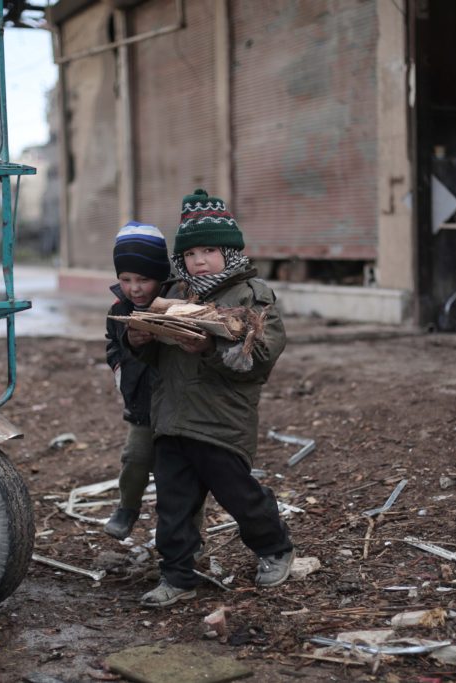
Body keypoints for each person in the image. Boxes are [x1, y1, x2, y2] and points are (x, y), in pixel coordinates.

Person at [132, 188, 294, 608]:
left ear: (229, 251)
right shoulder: (174, 293)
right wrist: (140, 336)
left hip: (222, 421)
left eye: (208, 250)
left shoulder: (251, 295)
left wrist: (209, 347)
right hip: (171, 419)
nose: (198, 261)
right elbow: (153, 357)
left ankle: (275, 547)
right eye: (189, 254)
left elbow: (258, 360)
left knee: (239, 495)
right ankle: (178, 576)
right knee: (173, 504)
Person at [103, 221, 172, 539]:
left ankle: (182, 531)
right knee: (134, 459)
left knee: (177, 475)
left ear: (160, 276)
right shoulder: (118, 309)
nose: (135, 288)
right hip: (140, 405)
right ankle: (127, 507)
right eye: (126, 279)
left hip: (176, 409)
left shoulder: (177, 308)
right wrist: (120, 371)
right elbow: (112, 345)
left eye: (144, 279)